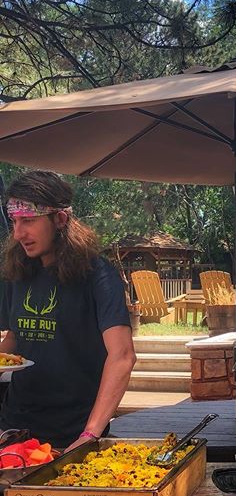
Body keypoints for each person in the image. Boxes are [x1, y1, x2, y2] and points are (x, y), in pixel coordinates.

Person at [0, 170, 136, 450]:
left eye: (28, 221)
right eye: (15, 221)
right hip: (13, 429)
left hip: (72, 434)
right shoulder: (17, 272)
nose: (18, 233)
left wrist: (90, 434)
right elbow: (14, 339)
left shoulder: (98, 276)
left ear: (60, 219)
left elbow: (122, 356)